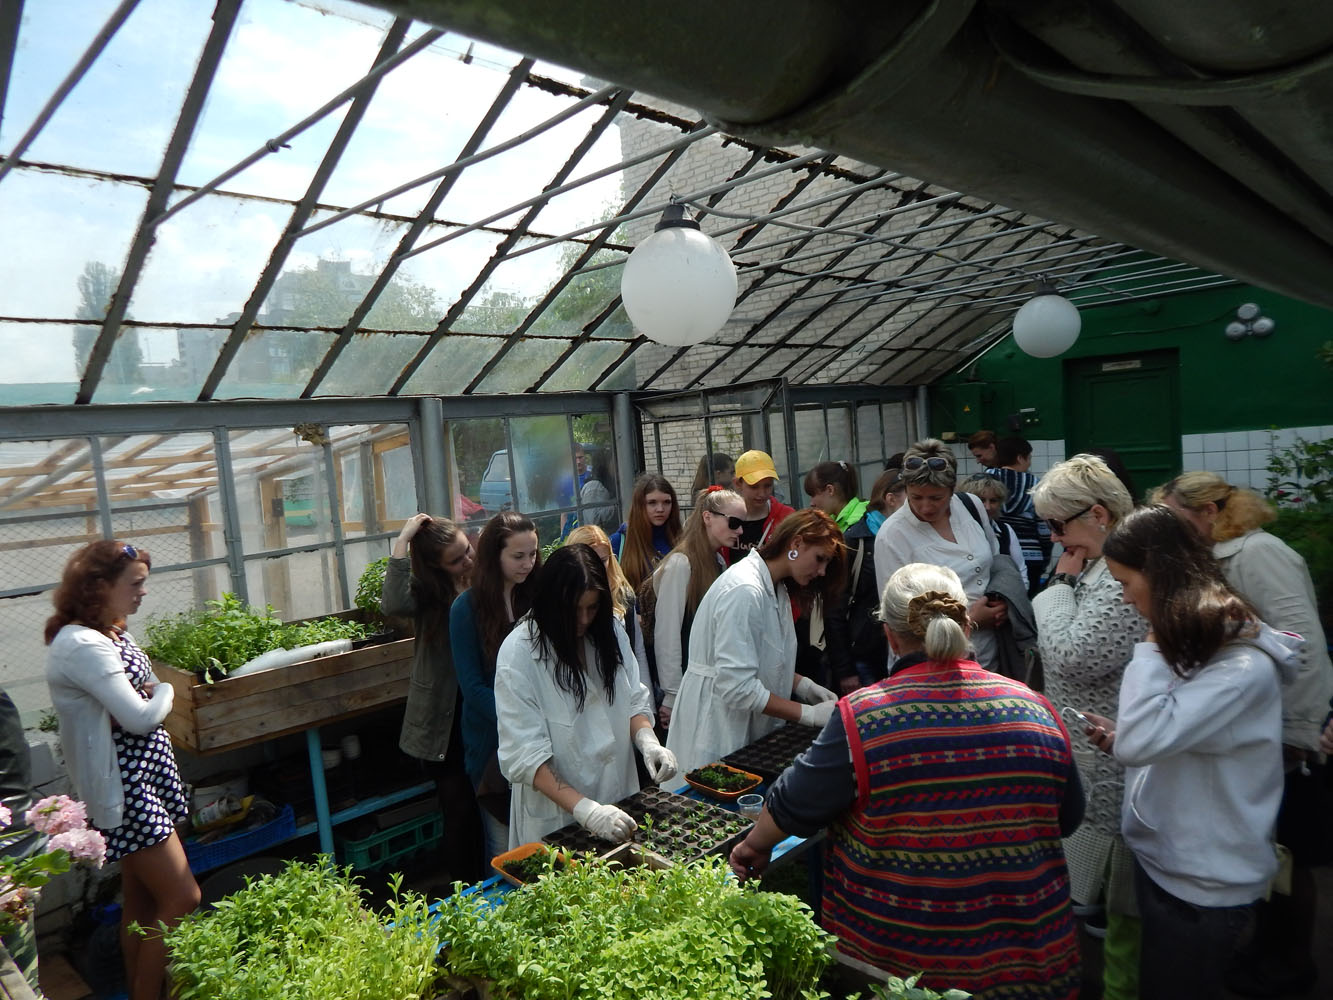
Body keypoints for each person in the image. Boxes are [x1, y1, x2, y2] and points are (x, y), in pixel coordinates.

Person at [729, 563, 1083, 999]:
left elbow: (792, 804)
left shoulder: (866, 717)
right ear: (966, 626)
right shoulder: (1035, 708)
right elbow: (1068, 818)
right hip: (1032, 970)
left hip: (902, 974)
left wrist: (752, 846)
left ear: (891, 636)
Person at [1083, 505, 1299, 1000]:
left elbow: (1143, 741)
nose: (1125, 598)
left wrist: (1151, 644)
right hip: (1172, 863)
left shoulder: (1239, 667)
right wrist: (1125, 736)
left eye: (1125, 583)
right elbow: (1175, 735)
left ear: (1160, 577)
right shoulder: (1205, 646)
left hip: (1203, 884)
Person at [1159, 470, 1333, 996]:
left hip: (1284, 733)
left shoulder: (1259, 553)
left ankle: (1292, 963)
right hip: (1257, 730)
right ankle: (1266, 949)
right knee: (1264, 847)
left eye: (1178, 517)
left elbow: (1303, 643)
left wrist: (1298, 730)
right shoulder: (1219, 555)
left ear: (1210, 510)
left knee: (1288, 850)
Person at [45, 541, 200, 1000]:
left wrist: (148, 695)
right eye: (135, 583)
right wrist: (165, 691)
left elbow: (134, 703)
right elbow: (139, 716)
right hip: (128, 788)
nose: (143, 592)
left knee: (143, 900)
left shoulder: (111, 632)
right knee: (183, 898)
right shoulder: (81, 644)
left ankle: (141, 990)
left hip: (144, 775)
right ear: (99, 586)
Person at [1029, 456, 1146, 1000]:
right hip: (1096, 751)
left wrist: (1057, 586)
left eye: (1059, 526)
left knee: (1124, 906)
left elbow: (1073, 655)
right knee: (1109, 897)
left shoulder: (1122, 572)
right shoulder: (1104, 562)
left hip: (1112, 757)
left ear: (1098, 514)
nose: (1055, 539)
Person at [494, 544, 676, 848]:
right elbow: (525, 757)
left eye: (592, 608)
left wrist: (648, 741)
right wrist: (587, 811)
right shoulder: (519, 654)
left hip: (619, 795)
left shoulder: (609, 631)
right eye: (573, 610)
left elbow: (633, 699)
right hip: (558, 818)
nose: (583, 619)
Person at [666, 509, 846, 775]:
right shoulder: (745, 590)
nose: (821, 571)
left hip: (738, 726)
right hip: (715, 725)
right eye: (820, 559)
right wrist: (807, 714)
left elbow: (761, 659)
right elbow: (737, 686)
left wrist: (803, 685)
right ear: (796, 543)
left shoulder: (776, 587)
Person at [383, 513, 486, 879]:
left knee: (484, 801)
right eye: (456, 560)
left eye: (467, 550)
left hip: (477, 707)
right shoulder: (427, 595)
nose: (467, 561)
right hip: (443, 717)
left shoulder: (480, 579)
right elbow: (393, 604)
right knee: (458, 808)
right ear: (435, 566)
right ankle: (462, 887)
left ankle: (484, 874)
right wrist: (402, 541)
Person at [873, 439, 1018, 674]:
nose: (925, 507)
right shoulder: (891, 536)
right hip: (930, 665)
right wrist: (970, 619)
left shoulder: (971, 505)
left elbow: (995, 559)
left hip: (989, 654)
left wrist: (1003, 600)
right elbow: (897, 615)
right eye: (915, 497)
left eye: (936, 498)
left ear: (952, 490)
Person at [450, 512, 541, 860]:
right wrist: (520, 719)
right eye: (518, 556)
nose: (528, 563)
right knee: (504, 845)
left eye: (533, 554)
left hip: (538, 735)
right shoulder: (466, 608)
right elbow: (472, 687)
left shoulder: (535, 597)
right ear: (493, 555)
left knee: (541, 835)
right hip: (491, 743)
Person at [649, 487, 745, 728]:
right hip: (688, 686)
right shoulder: (681, 563)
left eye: (741, 524)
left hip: (709, 684)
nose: (740, 531)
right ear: (707, 517)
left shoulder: (718, 561)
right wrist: (672, 694)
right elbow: (667, 634)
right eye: (734, 522)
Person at [565, 524, 651, 695]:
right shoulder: (564, 599)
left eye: (603, 560)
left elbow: (638, 650)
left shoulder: (623, 595)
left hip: (624, 689)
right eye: (590, 560)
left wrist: (648, 703)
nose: (597, 566)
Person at [985, 436, 1051, 596]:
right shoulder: (1037, 485)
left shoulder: (985, 481)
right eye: (1029, 458)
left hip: (995, 554)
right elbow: (1044, 527)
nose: (1029, 463)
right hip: (1031, 556)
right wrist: (1045, 557)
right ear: (1020, 458)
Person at [609, 473, 682, 593]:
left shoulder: (681, 540)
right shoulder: (619, 542)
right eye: (652, 502)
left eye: (667, 502)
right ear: (639, 505)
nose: (660, 509)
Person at [957, 473, 1028, 590]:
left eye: (993, 501)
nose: (987, 507)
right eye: (981, 500)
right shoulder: (953, 532)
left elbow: (1020, 572)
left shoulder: (1005, 531)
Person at [729, 449, 795, 559]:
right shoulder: (724, 516)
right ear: (737, 483)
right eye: (754, 487)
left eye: (768, 486)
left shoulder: (787, 517)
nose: (762, 493)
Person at [803, 460, 868, 533]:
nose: (811, 503)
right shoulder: (829, 523)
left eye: (813, 495)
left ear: (830, 490)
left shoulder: (864, 521)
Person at [577, 450, 620, 535]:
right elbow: (594, 519)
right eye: (614, 463)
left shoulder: (606, 484)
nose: (617, 467)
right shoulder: (594, 487)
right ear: (605, 465)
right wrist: (619, 505)